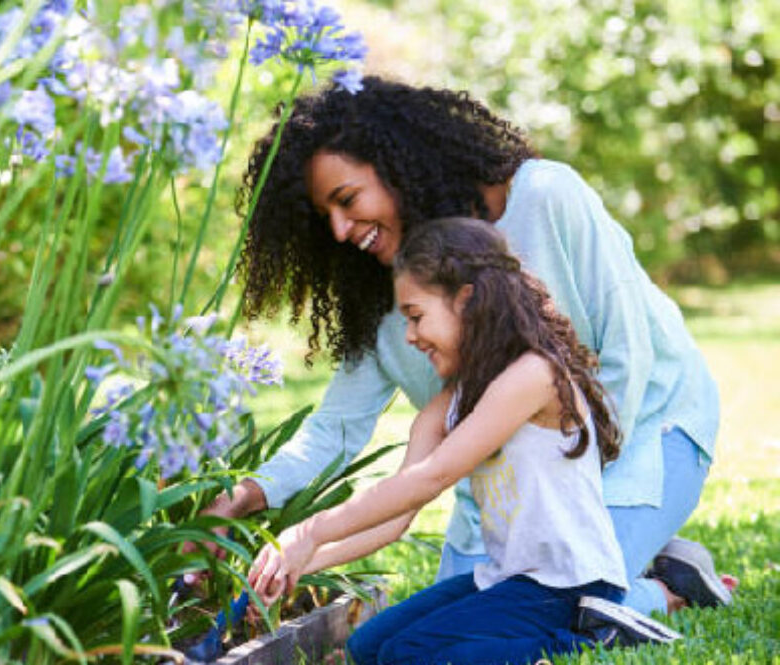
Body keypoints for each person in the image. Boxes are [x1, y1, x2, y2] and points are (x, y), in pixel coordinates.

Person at [197, 77, 730, 616]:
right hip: (513, 491)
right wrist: (245, 495)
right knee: (456, 614)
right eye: (324, 216)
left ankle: (667, 589)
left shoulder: (545, 197)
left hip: (647, 433)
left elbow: (628, 355)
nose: (338, 229)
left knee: (562, 602)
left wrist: (572, 511)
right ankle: (642, 556)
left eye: (347, 199)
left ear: (397, 163)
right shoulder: (387, 301)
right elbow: (334, 430)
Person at [248, 218, 680, 664]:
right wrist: (302, 561)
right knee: (366, 648)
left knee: (407, 655)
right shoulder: (453, 400)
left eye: (416, 316)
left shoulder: (534, 375)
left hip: (568, 586)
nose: (410, 336)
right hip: (508, 578)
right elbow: (397, 518)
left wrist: (310, 529)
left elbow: (433, 476)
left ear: (467, 301)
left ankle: (594, 638)